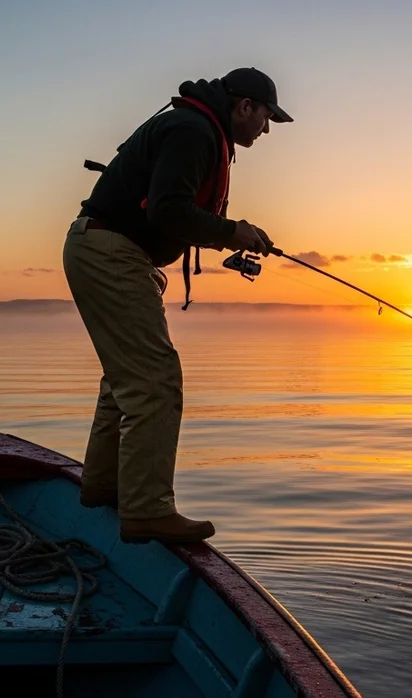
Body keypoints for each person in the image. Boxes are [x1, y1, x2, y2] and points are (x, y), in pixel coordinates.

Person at [62, 67, 292, 544]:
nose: (266, 129)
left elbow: (172, 210)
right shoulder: (193, 131)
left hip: (102, 249)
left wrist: (232, 234)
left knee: (124, 378)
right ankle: (147, 510)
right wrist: (232, 231)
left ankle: (103, 486)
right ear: (245, 106)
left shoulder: (196, 127)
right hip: (111, 252)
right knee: (154, 379)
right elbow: (168, 209)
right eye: (266, 117)